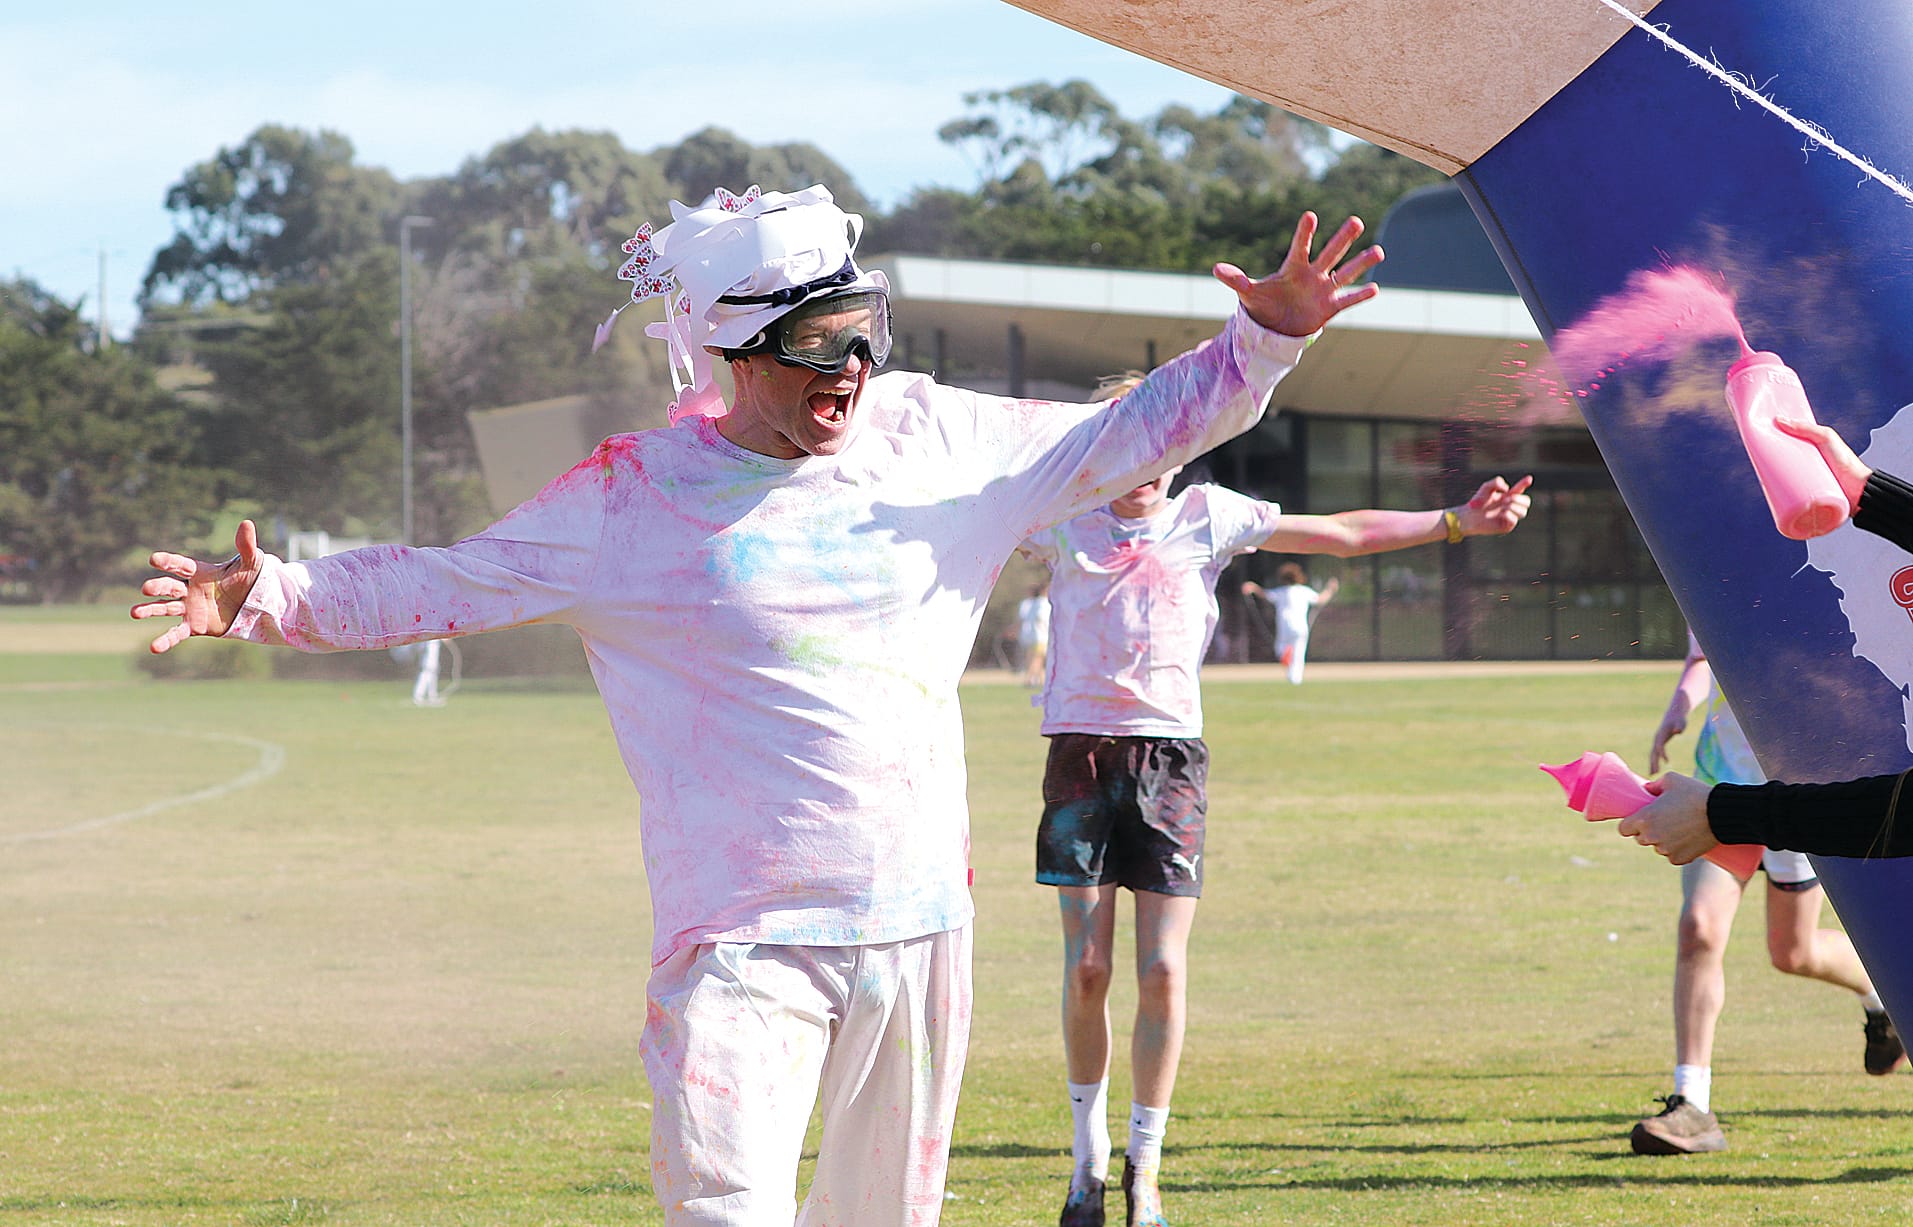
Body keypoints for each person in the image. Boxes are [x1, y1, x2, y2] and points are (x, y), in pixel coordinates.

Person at [131, 183, 1387, 1227]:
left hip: (918, 937)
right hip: (740, 954)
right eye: (813, 341)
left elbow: (1131, 430)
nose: (849, 366)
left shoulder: (937, 441)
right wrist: (268, 595)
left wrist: (1263, 344)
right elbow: (446, 581)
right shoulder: (632, 495)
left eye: (863, 330)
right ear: (736, 348)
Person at [1019, 385, 1531, 1227]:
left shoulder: (1206, 517)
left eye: (1154, 445)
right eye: (1120, 442)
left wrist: (1455, 522)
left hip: (1169, 761)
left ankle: (1146, 1170)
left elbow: (1339, 533)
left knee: (1159, 969)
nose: (1139, 465)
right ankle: (1086, 1168)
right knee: (1086, 968)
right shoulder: (1057, 517)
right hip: (1078, 756)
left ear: (1176, 452)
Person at [1624, 633, 1900, 1158]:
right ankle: (1692, 1105)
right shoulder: (1718, 559)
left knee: (1793, 953)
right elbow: (1704, 651)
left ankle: (1883, 999)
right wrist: (1680, 704)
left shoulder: (1819, 567)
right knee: (1698, 928)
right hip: (1718, 782)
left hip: (1800, 792)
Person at [1241, 562, 1337, 683]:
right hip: (1301, 626)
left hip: (1285, 626)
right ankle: (1296, 679)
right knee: (1299, 653)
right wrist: (1330, 589)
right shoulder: (1304, 591)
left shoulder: (1281, 592)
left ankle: (1287, 662)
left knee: (1280, 649)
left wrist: (1252, 587)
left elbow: (1264, 594)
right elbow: (1320, 599)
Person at [1019, 582, 1052, 686]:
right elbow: (1042, 619)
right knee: (1037, 659)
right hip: (1041, 636)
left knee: (1037, 658)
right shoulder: (1042, 603)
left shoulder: (1034, 603)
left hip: (1034, 635)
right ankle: (1029, 679)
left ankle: (1042, 681)